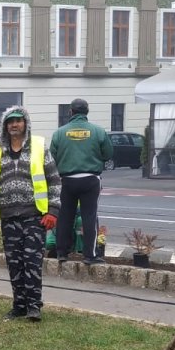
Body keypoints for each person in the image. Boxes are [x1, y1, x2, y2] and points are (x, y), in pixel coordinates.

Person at [0, 106, 61, 322]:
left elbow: (54, 180)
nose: (14, 124)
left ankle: (34, 307)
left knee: (31, 263)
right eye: (10, 121)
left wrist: (53, 210)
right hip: (8, 217)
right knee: (14, 263)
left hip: (34, 216)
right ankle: (19, 306)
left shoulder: (38, 147)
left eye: (18, 120)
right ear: (5, 126)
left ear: (25, 123)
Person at [49, 98, 113, 265]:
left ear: (70, 112)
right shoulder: (98, 131)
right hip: (91, 180)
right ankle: (89, 255)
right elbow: (108, 154)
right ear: (87, 112)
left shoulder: (59, 133)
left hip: (66, 181)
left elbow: (52, 159)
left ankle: (62, 252)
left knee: (64, 216)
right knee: (89, 217)